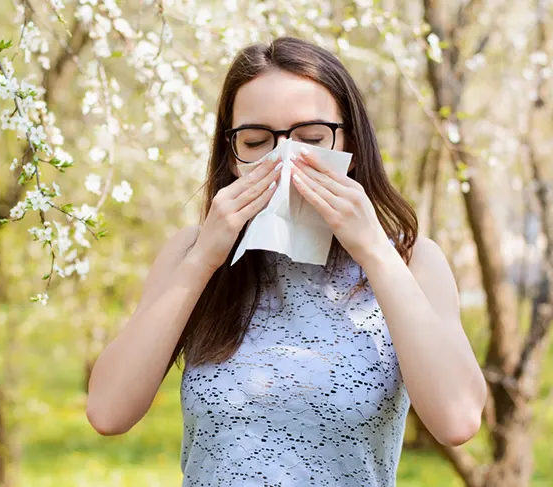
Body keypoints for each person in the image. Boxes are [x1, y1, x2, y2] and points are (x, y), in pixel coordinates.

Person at [85, 36, 487, 486]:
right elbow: (107, 411)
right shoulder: (191, 254)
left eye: (312, 138)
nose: (285, 159)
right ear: (231, 154)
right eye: (257, 142)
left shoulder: (411, 261)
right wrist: (203, 260)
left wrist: (374, 250)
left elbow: (458, 420)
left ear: (350, 139)